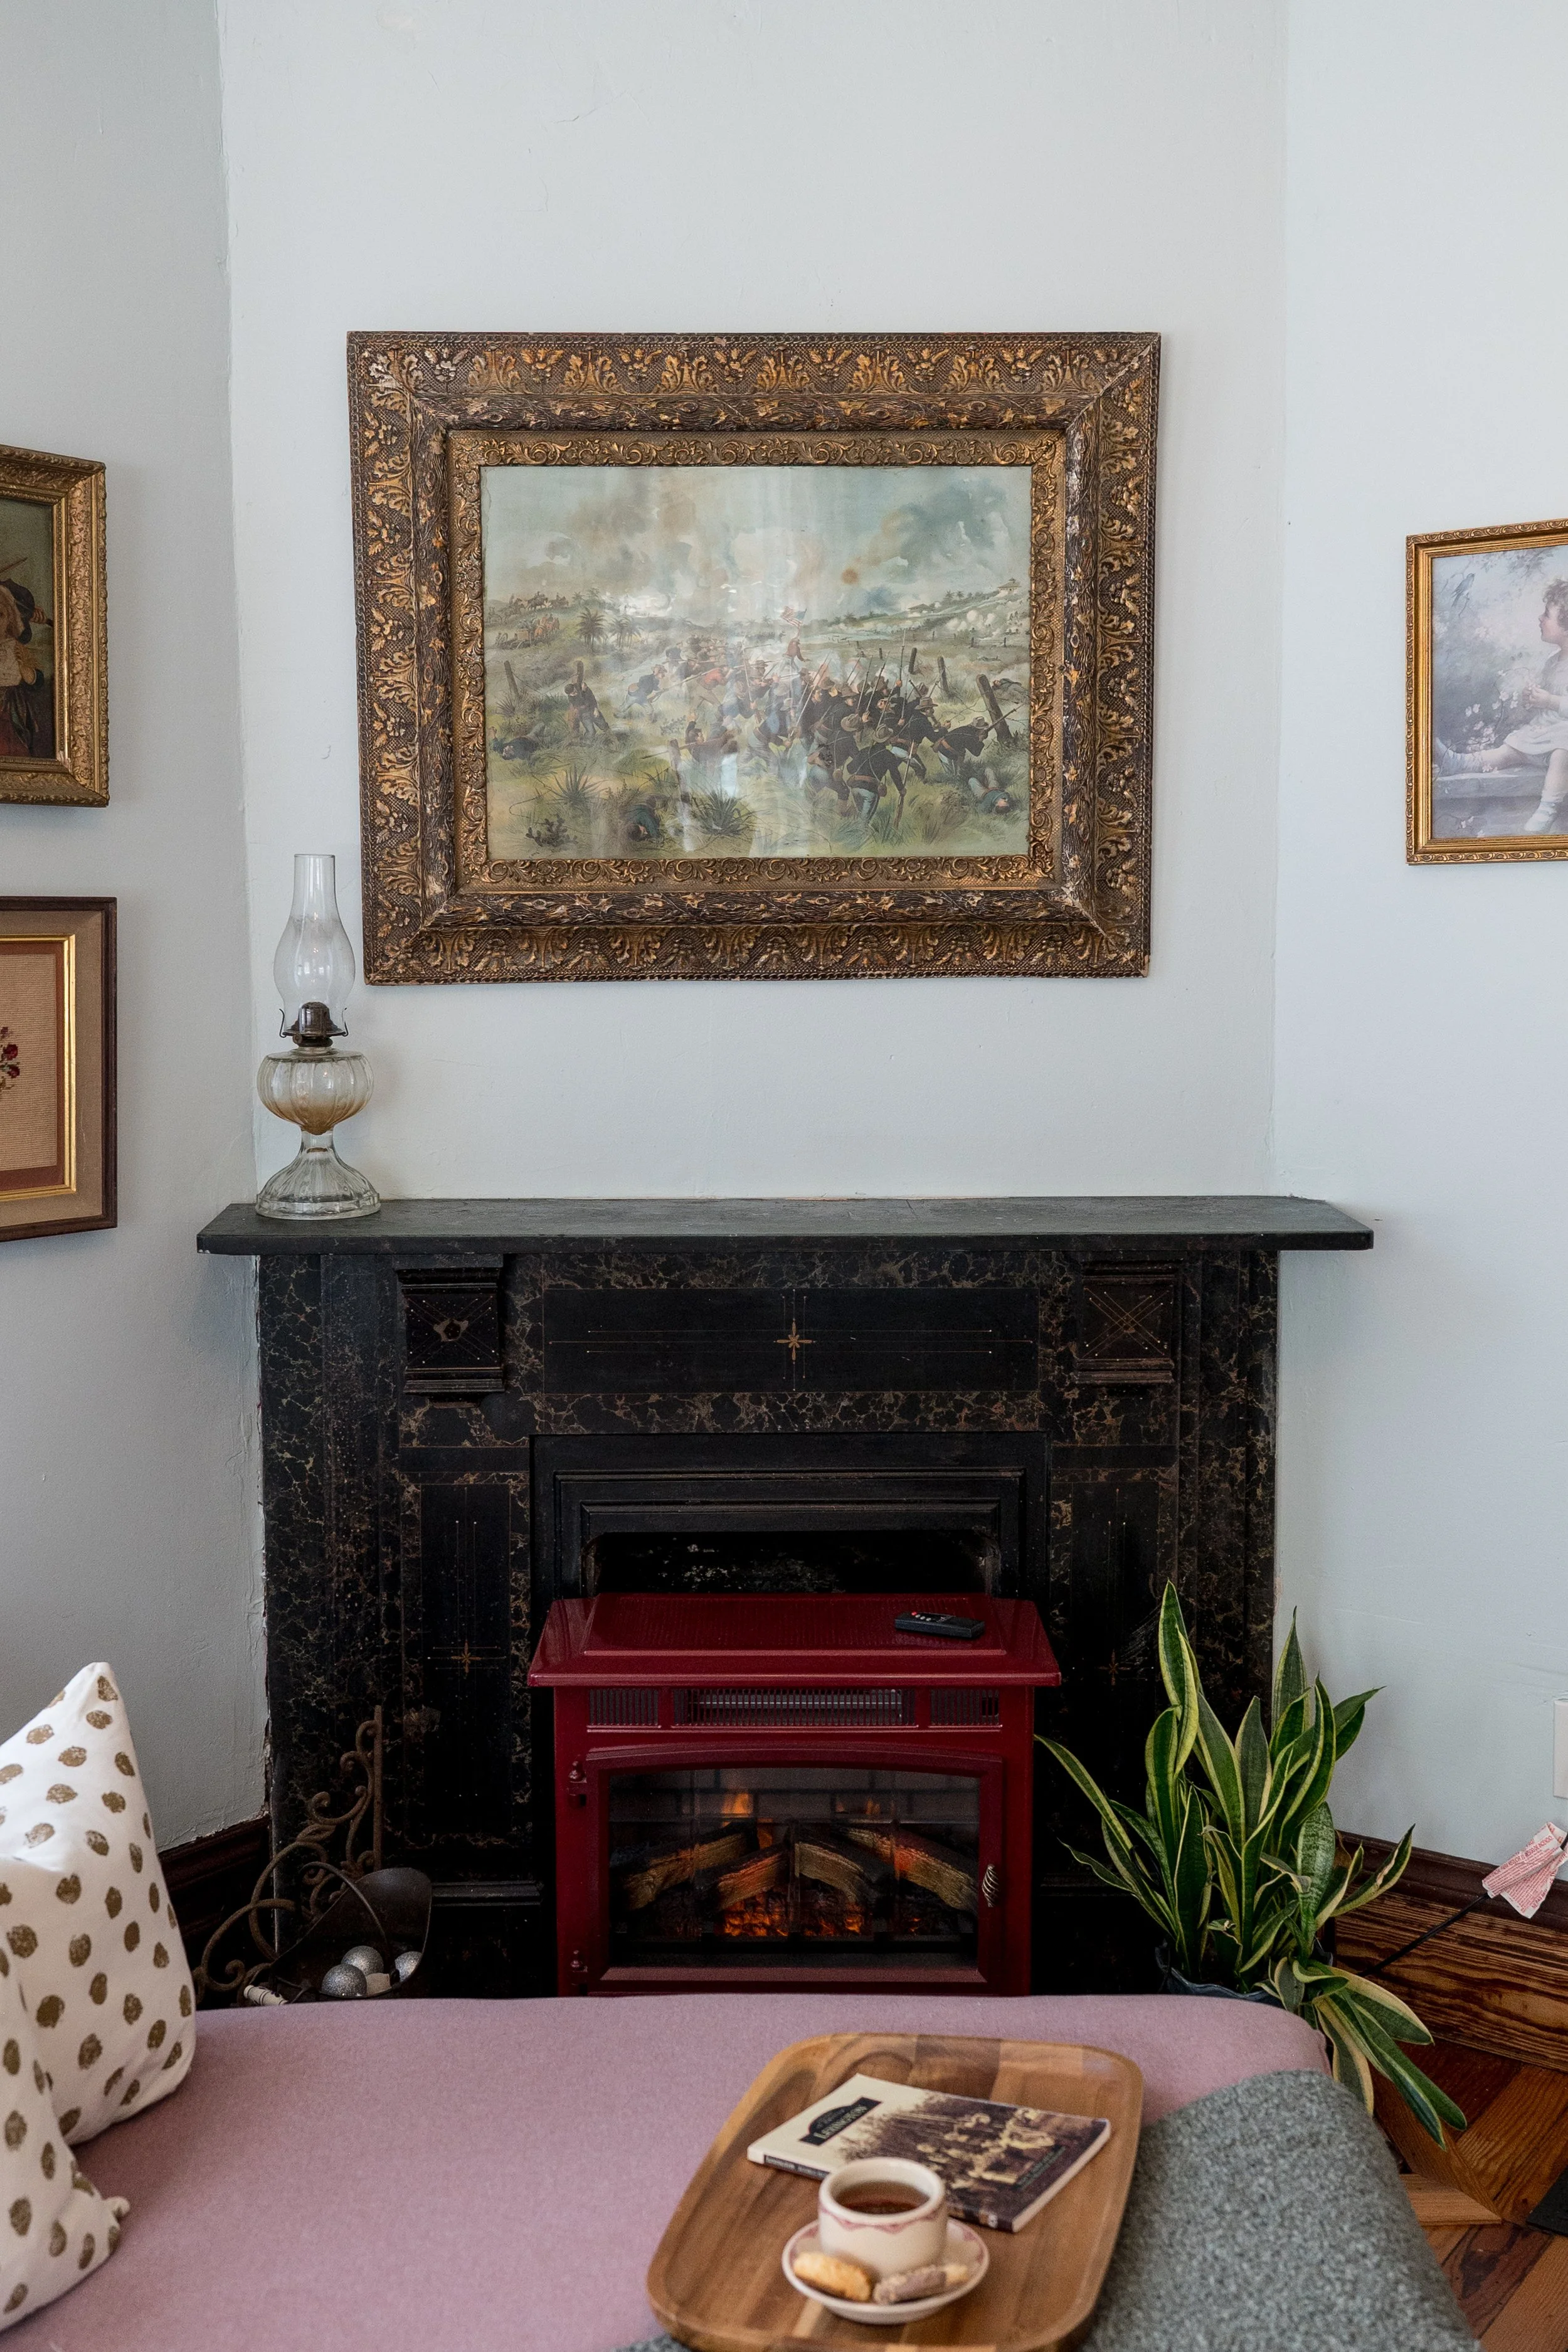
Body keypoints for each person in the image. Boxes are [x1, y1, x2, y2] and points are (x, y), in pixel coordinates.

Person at [1437, 578, 1568, 833]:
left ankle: (1548, 807)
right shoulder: (1553, 662)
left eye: (1547, 615)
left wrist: (1550, 701)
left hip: (1564, 740)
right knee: (1511, 749)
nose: (1540, 619)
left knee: (1563, 751)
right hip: (1545, 733)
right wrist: (1534, 700)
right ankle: (1461, 763)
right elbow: (1548, 703)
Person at [0, 578, 53, 760]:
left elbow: (36, 678)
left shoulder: (15, 648)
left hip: (12, 709)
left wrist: (30, 677)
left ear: (9, 619)